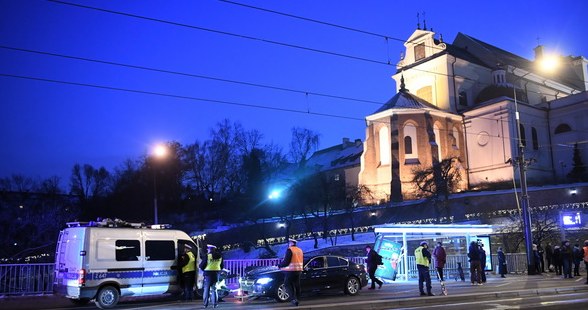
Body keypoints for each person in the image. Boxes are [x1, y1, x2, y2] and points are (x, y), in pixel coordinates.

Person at [278, 238, 303, 306]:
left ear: (291, 243)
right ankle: (298, 298)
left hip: (291, 271)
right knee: (296, 285)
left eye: (289, 243)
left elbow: (286, 262)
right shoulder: (299, 250)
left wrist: (279, 265)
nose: (288, 244)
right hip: (299, 270)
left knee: (287, 284)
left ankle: (293, 299)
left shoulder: (290, 250)